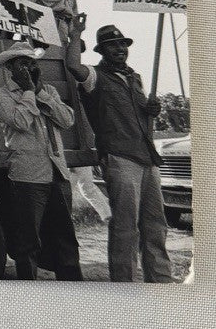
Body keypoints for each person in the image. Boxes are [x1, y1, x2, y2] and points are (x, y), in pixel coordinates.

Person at [66, 21, 173, 282]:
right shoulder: (95, 77)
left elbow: (139, 116)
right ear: (102, 51)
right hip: (119, 157)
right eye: (112, 46)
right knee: (126, 227)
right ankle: (123, 285)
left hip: (147, 158)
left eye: (122, 44)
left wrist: (152, 111)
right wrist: (76, 34)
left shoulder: (135, 78)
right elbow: (73, 66)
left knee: (156, 226)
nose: (119, 49)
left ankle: (160, 282)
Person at [22, 0, 111, 221]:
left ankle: (74, 145)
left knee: (72, 90)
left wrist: (76, 35)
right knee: (49, 91)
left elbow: (72, 8)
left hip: (67, 36)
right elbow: (28, 11)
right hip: (45, 38)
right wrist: (39, 39)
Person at [0, 42, 83, 281]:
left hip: (57, 173)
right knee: (28, 241)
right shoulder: (2, 95)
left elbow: (67, 120)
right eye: (23, 63)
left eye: (32, 62)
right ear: (11, 68)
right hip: (28, 176)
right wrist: (29, 93)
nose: (30, 67)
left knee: (66, 238)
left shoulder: (49, 91)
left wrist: (40, 93)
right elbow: (20, 121)